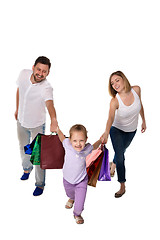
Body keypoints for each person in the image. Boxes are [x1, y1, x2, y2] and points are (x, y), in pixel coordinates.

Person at [15, 56, 58, 196]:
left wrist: (54, 120)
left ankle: (40, 184)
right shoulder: (23, 74)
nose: (40, 73)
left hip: (37, 126)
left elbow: (50, 104)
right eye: (38, 69)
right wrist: (17, 109)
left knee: (38, 155)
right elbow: (19, 91)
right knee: (23, 148)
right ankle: (26, 168)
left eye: (44, 71)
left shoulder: (46, 87)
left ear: (48, 73)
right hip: (21, 121)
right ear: (33, 67)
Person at [101, 71, 146, 198]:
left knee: (120, 152)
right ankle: (122, 185)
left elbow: (140, 105)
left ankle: (113, 164)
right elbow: (110, 118)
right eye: (112, 83)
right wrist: (106, 132)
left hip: (131, 131)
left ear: (123, 79)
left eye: (117, 80)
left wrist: (144, 120)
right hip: (117, 130)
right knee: (121, 156)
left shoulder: (136, 90)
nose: (115, 84)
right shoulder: (115, 101)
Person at [57, 124, 102, 224]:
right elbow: (61, 137)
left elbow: (94, 146)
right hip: (67, 179)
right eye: (75, 141)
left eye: (81, 140)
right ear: (70, 140)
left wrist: (100, 140)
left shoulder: (87, 148)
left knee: (80, 203)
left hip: (81, 180)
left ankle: (77, 214)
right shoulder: (67, 145)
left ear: (86, 139)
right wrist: (57, 129)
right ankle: (71, 198)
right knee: (69, 193)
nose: (78, 144)